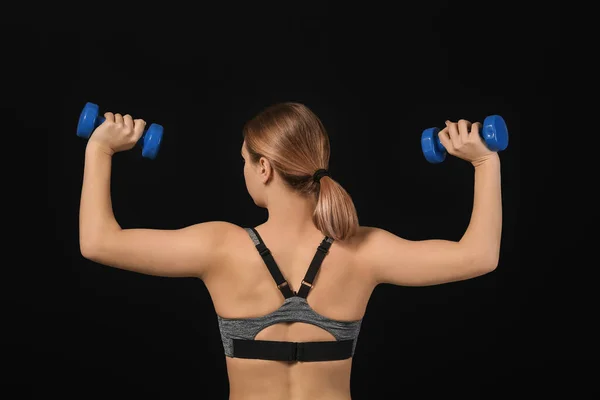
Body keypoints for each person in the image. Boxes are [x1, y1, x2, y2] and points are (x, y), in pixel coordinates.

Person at [79, 102, 502, 400]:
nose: (244, 170)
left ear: (264, 168)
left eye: (245, 161)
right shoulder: (364, 250)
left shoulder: (218, 247)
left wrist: (100, 148)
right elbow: (479, 255)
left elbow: (98, 242)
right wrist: (485, 162)